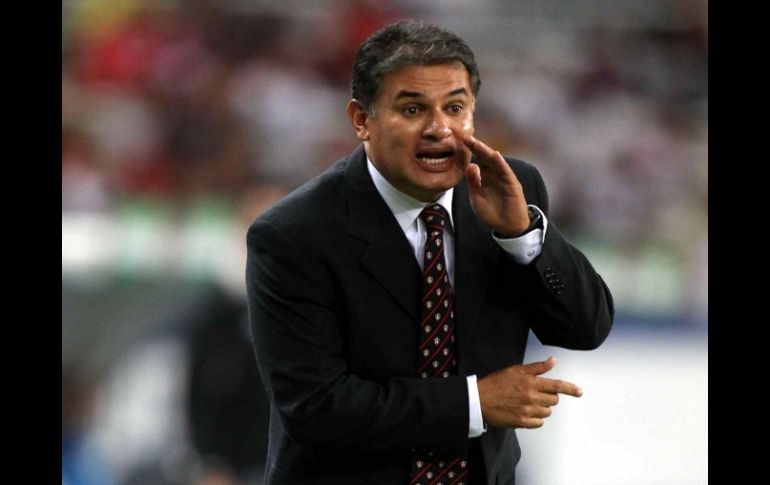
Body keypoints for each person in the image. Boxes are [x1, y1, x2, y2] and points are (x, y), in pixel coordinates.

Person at [245, 20, 613, 485]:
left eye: (455, 108)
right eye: (413, 108)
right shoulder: (293, 234)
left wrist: (521, 236)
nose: (439, 129)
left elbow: (586, 327)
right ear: (362, 119)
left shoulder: (509, 189)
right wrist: (474, 403)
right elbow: (316, 407)